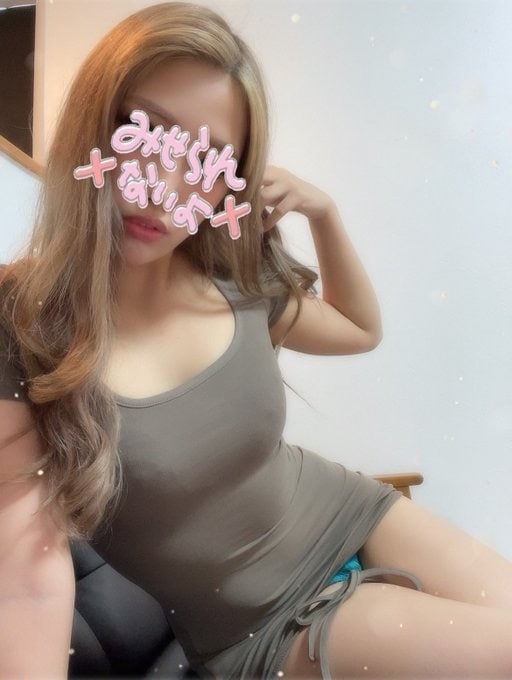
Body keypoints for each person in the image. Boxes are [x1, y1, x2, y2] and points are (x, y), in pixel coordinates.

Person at [1, 2, 512, 678]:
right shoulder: (26, 322)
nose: (163, 186)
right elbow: (27, 581)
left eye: (206, 158)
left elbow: (360, 330)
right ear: (91, 126)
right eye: (139, 130)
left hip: (352, 512)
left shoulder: (231, 280)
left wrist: (324, 212)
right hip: (263, 626)